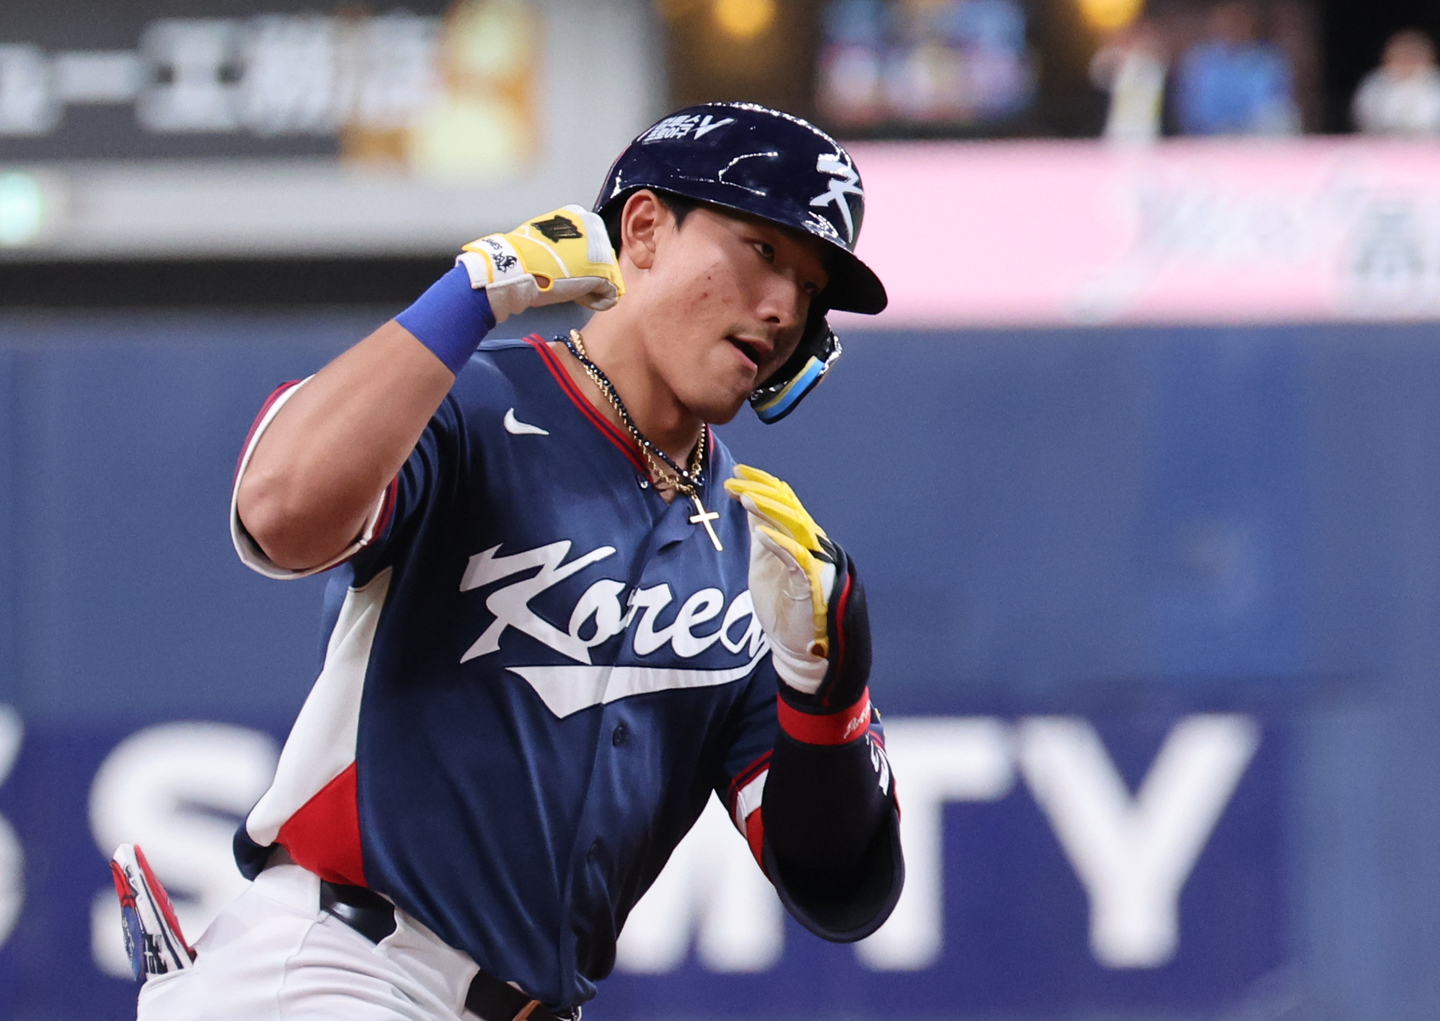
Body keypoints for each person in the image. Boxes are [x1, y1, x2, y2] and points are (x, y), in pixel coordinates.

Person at [131, 102, 904, 1021]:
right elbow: (279, 516)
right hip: (342, 968)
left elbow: (840, 890)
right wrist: (474, 290)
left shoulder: (756, 551)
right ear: (646, 230)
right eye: (763, 250)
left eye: (809, 286)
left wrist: (830, 692)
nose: (783, 307)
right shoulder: (472, 404)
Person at [1174, 1, 1298, 135]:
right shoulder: (1199, 61)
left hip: (1257, 138)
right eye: (1228, 20)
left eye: (1239, 20)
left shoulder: (1269, 62)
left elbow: (1276, 107)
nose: (1233, 26)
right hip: (1210, 137)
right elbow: (1193, 110)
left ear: (1251, 23)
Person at [1353, 29, 1440, 136]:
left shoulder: (1436, 82)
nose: (1407, 59)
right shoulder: (1375, 83)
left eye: (1413, 54)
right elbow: (1363, 117)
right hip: (1382, 144)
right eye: (1402, 53)